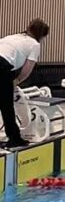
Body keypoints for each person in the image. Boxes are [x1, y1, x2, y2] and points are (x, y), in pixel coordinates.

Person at [0, 19, 49, 148]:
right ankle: (14, 139)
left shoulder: (14, 36)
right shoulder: (34, 44)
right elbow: (28, 68)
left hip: (3, 62)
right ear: (42, 35)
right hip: (2, 65)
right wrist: (16, 81)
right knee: (6, 106)